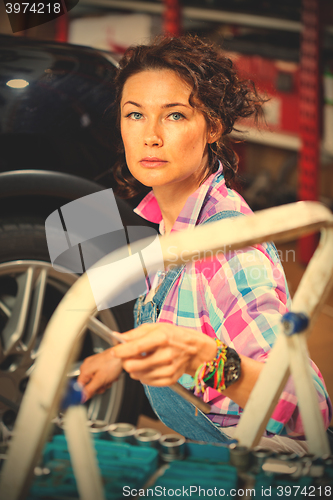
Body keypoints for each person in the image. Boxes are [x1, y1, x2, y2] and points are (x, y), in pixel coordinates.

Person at [78, 35, 331, 453]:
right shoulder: (172, 223)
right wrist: (120, 359)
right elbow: (187, 323)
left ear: (213, 125)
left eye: (174, 115)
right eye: (135, 114)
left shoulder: (226, 251)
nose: (151, 136)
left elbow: (309, 407)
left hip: (266, 470)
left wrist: (204, 358)